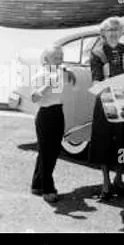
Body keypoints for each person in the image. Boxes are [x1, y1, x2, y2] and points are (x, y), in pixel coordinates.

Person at [89, 16, 124, 201]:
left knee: (123, 142)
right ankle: (105, 182)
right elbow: (95, 79)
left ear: (121, 32)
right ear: (103, 33)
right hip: (106, 102)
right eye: (110, 30)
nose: (113, 33)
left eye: (117, 30)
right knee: (104, 142)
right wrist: (101, 82)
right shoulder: (97, 53)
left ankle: (119, 178)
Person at [30, 45, 77, 203]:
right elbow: (34, 98)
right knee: (47, 153)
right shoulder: (40, 75)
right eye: (56, 57)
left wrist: (67, 71)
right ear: (45, 60)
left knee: (52, 151)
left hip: (58, 112)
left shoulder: (58, 72)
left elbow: (63, 70)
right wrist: (48, 85)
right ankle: (48, 189)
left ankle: (36, 185)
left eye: (61, 56)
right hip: (45, 115)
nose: (60, 60)